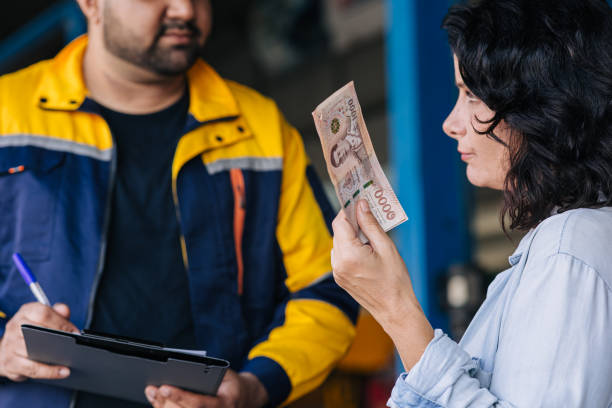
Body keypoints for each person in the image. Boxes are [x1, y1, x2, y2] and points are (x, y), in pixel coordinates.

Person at [0, 0, 358, 407]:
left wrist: (254, 387)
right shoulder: (6, 115)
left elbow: (328, 287)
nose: (186, 10)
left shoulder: (261, 130)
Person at [331, 0, 612, 407]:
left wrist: (396, 308)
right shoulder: (558, 245)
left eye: (472, 96)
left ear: (541, 103)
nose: (451, 123)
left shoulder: (570, 247)